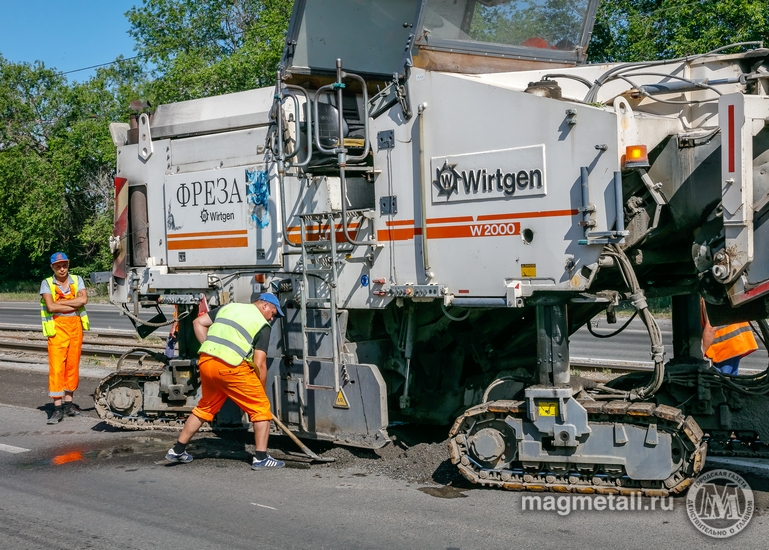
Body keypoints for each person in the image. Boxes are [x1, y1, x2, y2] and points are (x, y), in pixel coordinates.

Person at [165, 293, 286, 470]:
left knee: (205, 407)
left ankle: (177, 450)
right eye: (273, 313)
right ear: (265, 305)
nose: (272, 318)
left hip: (207, 362)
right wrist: (261, 392)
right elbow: (260, 363)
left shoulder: (229, 307)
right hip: (231, 366)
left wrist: (212, 349)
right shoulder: (262, 325)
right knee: (261, 408)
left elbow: (198, 322)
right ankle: (261, 458)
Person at [40, 252, 90, 424]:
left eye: (64, 265)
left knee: (72, 366)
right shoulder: (47, 283)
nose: (62, 269)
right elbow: (51, 307)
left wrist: (61, 303)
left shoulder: (77, 279)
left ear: (68, 265)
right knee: (57, 368)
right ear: (52, 267)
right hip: (57, 329)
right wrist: (74, 302)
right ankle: (57, 408)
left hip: (75, 327)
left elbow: (84, 300)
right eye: (58, 266)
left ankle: (69, 405)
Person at [701, 298, 758, 375]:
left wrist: (701, 352)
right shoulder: (717, 295)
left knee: (722, 380)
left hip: (724, 348)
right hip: (735, 342)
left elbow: (711, 328)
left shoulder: (707, 298)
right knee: (731, 379)